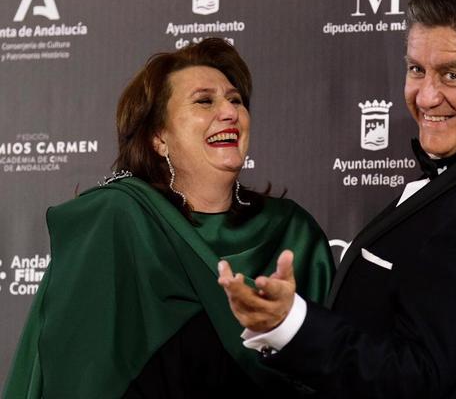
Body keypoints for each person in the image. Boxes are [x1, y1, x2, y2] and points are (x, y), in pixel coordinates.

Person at [218, 0, 456, 398]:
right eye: (417, 70)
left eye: (452, 75)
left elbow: (411, 376)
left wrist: (291, 325)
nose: (426, 96)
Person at [3, 38, 334, 398]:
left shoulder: (293, 232)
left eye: (235, 100)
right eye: (204, 101)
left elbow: (333, 369)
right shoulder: (118, 221)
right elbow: (80, 373)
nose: (229, 112)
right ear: (158, 137)